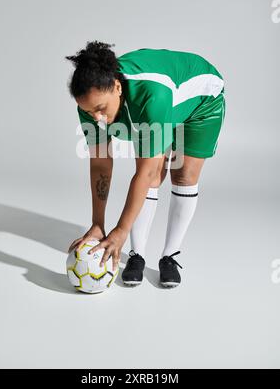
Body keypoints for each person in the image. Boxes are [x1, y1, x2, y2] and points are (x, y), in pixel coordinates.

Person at [66, 41, 226, 288]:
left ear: (117, 87)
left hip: (202, 101)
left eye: (100, 109)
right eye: (88, 111)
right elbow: (100, 163)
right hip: (161, 104)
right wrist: (98, 223)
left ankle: (169, 256)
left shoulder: (151, 96)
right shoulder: (88, 107)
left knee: (180, 174)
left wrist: (119, 230)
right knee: (152, 176)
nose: (96, 118)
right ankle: (136, 255)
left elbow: (146, 171)